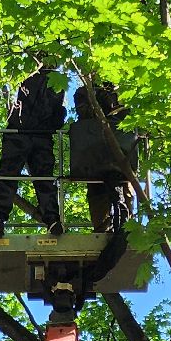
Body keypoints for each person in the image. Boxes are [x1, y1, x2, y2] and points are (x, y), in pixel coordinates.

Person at [0, 66, 65, 237]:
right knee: (12, 176)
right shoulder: (28, 73)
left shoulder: (50, 79)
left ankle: (52, 220)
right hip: (23, 134)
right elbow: (58, 115)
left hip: (34, 135)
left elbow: (58, 114)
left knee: (39, 178)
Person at [68, 81, 137, 234]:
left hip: (121, 153)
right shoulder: (83, 92)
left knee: (125, 189)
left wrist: (112, 101)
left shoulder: (123, 91)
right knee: (97, 192)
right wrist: (99, 100)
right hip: (94, 154)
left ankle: (127, 228)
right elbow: (84, 113)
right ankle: (102, 228)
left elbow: (126, 116)